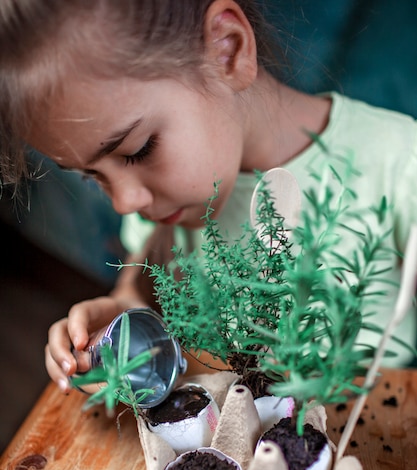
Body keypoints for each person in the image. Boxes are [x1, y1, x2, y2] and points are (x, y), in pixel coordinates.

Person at [0, 0, 416, 395]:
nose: (124, 202)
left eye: (138, 150)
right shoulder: (167, 196)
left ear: (227, 50)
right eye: (92, 175)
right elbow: (151, 257)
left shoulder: (397, 164)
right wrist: (127, 302)